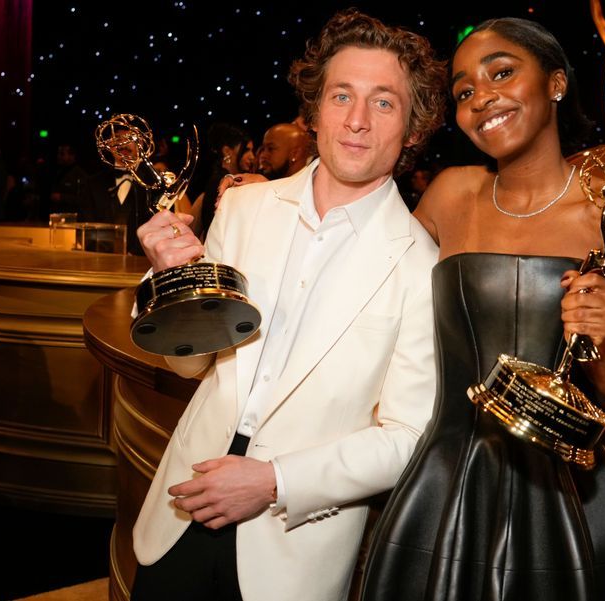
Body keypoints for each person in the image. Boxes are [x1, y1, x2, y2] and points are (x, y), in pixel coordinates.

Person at [129, 9, 447, 601]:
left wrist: (274, 481)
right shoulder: (243, 210)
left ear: (412, 129)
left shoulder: (422, 265)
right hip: (184, 504)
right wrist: (171, 285)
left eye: (383, 103)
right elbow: (189, 363)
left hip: (292, 539)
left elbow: (407, 436)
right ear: (314, 111)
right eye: (341, 96)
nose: (356, 121)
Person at [362, 17, 605, 601]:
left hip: (573, 505)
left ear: (556, 83)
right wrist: (278, 198)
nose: (482, 98)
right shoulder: (449, 196)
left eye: (501, 72)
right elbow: (359, 281)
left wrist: (597, 348)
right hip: (446, 483)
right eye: (463, 92)